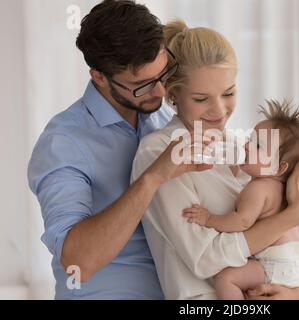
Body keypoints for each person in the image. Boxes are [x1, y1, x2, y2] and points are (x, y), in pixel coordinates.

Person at [131, 20, 299, 300]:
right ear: (173, 94)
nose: (219, 110)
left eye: (228, 93)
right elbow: (205, 258)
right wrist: (288, 217)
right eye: (202, 98)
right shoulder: (159, 154)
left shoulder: (248, 149)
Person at [27, 0, 213, 299]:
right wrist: (152, 178)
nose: (162, 91)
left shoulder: (163, 118)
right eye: (143, 84)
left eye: (164, 73)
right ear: (99, 77)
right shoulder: (63, 142)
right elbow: (77, 262)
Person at [182, 100, 299, 299]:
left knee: (226, 279)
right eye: (250, 139)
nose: (247, 146)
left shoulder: (258, 188)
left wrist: (208, 219)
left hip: (280, 262)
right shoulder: (282, 189)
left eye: (258, 146)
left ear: (278, 168)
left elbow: (241, 221)